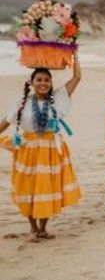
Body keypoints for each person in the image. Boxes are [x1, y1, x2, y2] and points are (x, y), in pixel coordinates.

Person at [0, 58, 82, 242]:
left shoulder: (58, 98)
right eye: (39, 79)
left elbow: (77, 78)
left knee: (47, 188)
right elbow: (7, 119)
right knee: (28, 188)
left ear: (51, 83)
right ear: (31, 82)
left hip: (50, 150)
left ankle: (43, 228)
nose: (43, 83)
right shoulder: (22, 101)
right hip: (28, 151)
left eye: (46, 80)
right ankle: (33, 227)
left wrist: (75, 57)